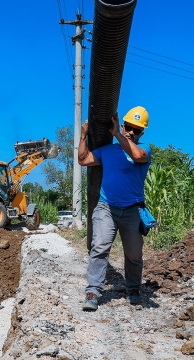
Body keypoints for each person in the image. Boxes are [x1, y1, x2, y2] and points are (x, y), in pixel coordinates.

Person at [77, 106, 152, 310]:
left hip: (132, 210)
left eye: (136, 130)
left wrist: (118, 134)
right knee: (99, 247)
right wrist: (83, 136)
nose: (131, 132)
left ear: (141, 133)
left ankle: (134, 289)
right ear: (122, 124)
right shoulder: (108, 151)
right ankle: (93, 290)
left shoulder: (145, 150)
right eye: (128, 127)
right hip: (106, 207)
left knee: (134, 254)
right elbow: (83, 160)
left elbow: (137, 156)